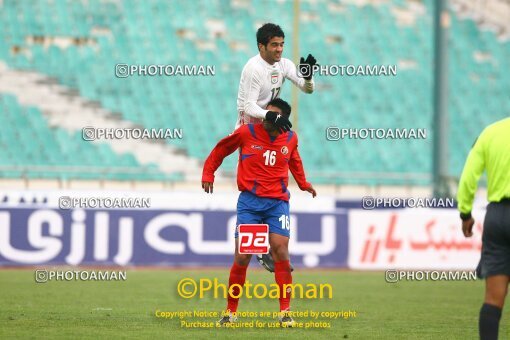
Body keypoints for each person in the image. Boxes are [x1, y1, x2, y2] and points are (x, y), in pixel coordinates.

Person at [202, 98, 316, 327]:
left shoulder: (291, 138)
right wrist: (208, 173)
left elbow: (295, 161)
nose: (266, 117)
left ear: (283, 119)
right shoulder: (247, 133)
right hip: (250, 203)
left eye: (272, 115)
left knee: (281, 251)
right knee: (242, 257)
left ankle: (285, 312)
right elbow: (221, 149)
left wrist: (303, 184)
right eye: (266, 113)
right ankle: (230, 312)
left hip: (277, 203)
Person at [457, 117, 510, 340]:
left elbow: (469, 176)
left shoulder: (491, 132)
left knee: (492, 300)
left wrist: (465, 213)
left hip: (497, 217)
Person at [236, 23, 316, 130]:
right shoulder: (254, 68)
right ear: (261, 46)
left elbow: (307, 89)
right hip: (249, 130)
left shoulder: (284, 64)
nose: (279, 49)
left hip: (270, 127)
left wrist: (308, 78)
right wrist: (271, 115)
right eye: (274, 45)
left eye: (281, 44)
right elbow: (249, 106)